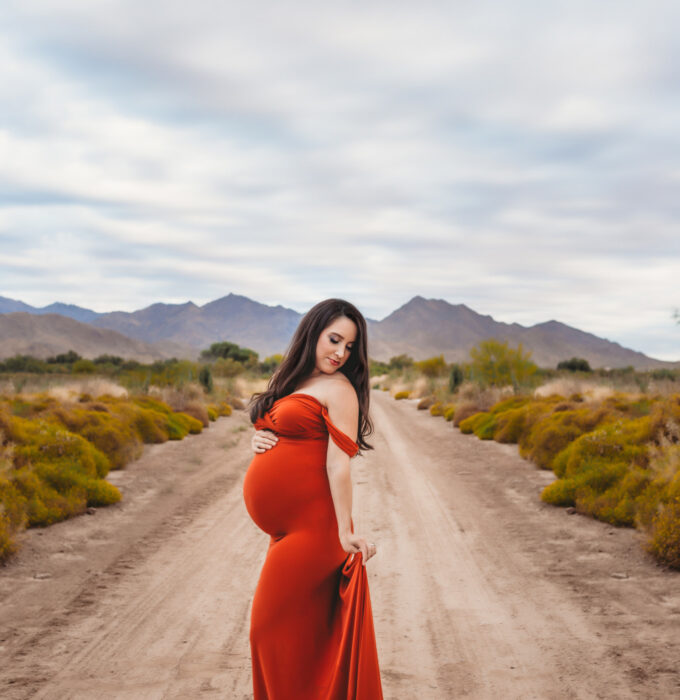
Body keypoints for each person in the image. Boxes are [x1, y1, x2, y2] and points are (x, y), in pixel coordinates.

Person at [243, 298, 384, 699]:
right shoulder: (297, 381)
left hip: (315, 532)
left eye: (350, 347)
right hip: (287, 532)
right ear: (313, 334)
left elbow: (338, 466)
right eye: (335, 340)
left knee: (265, 631)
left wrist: (344, 531)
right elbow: (285, 433)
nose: (341, 353)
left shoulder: (341, 391)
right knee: (293, 642)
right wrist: (259, 439)